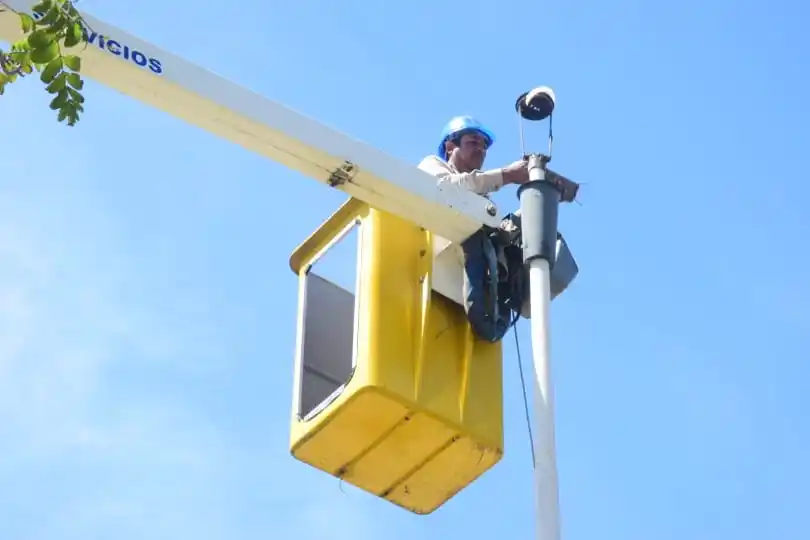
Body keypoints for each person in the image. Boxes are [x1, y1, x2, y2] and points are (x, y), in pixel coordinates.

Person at [418, 116, 531, 342]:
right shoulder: (433, 166)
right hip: (432, 275)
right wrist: (507, 175)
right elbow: (450, 190)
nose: (481, 149)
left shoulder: (483, 200)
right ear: (450, 147)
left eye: (484, 146)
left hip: (472, 289)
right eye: (473, 142)